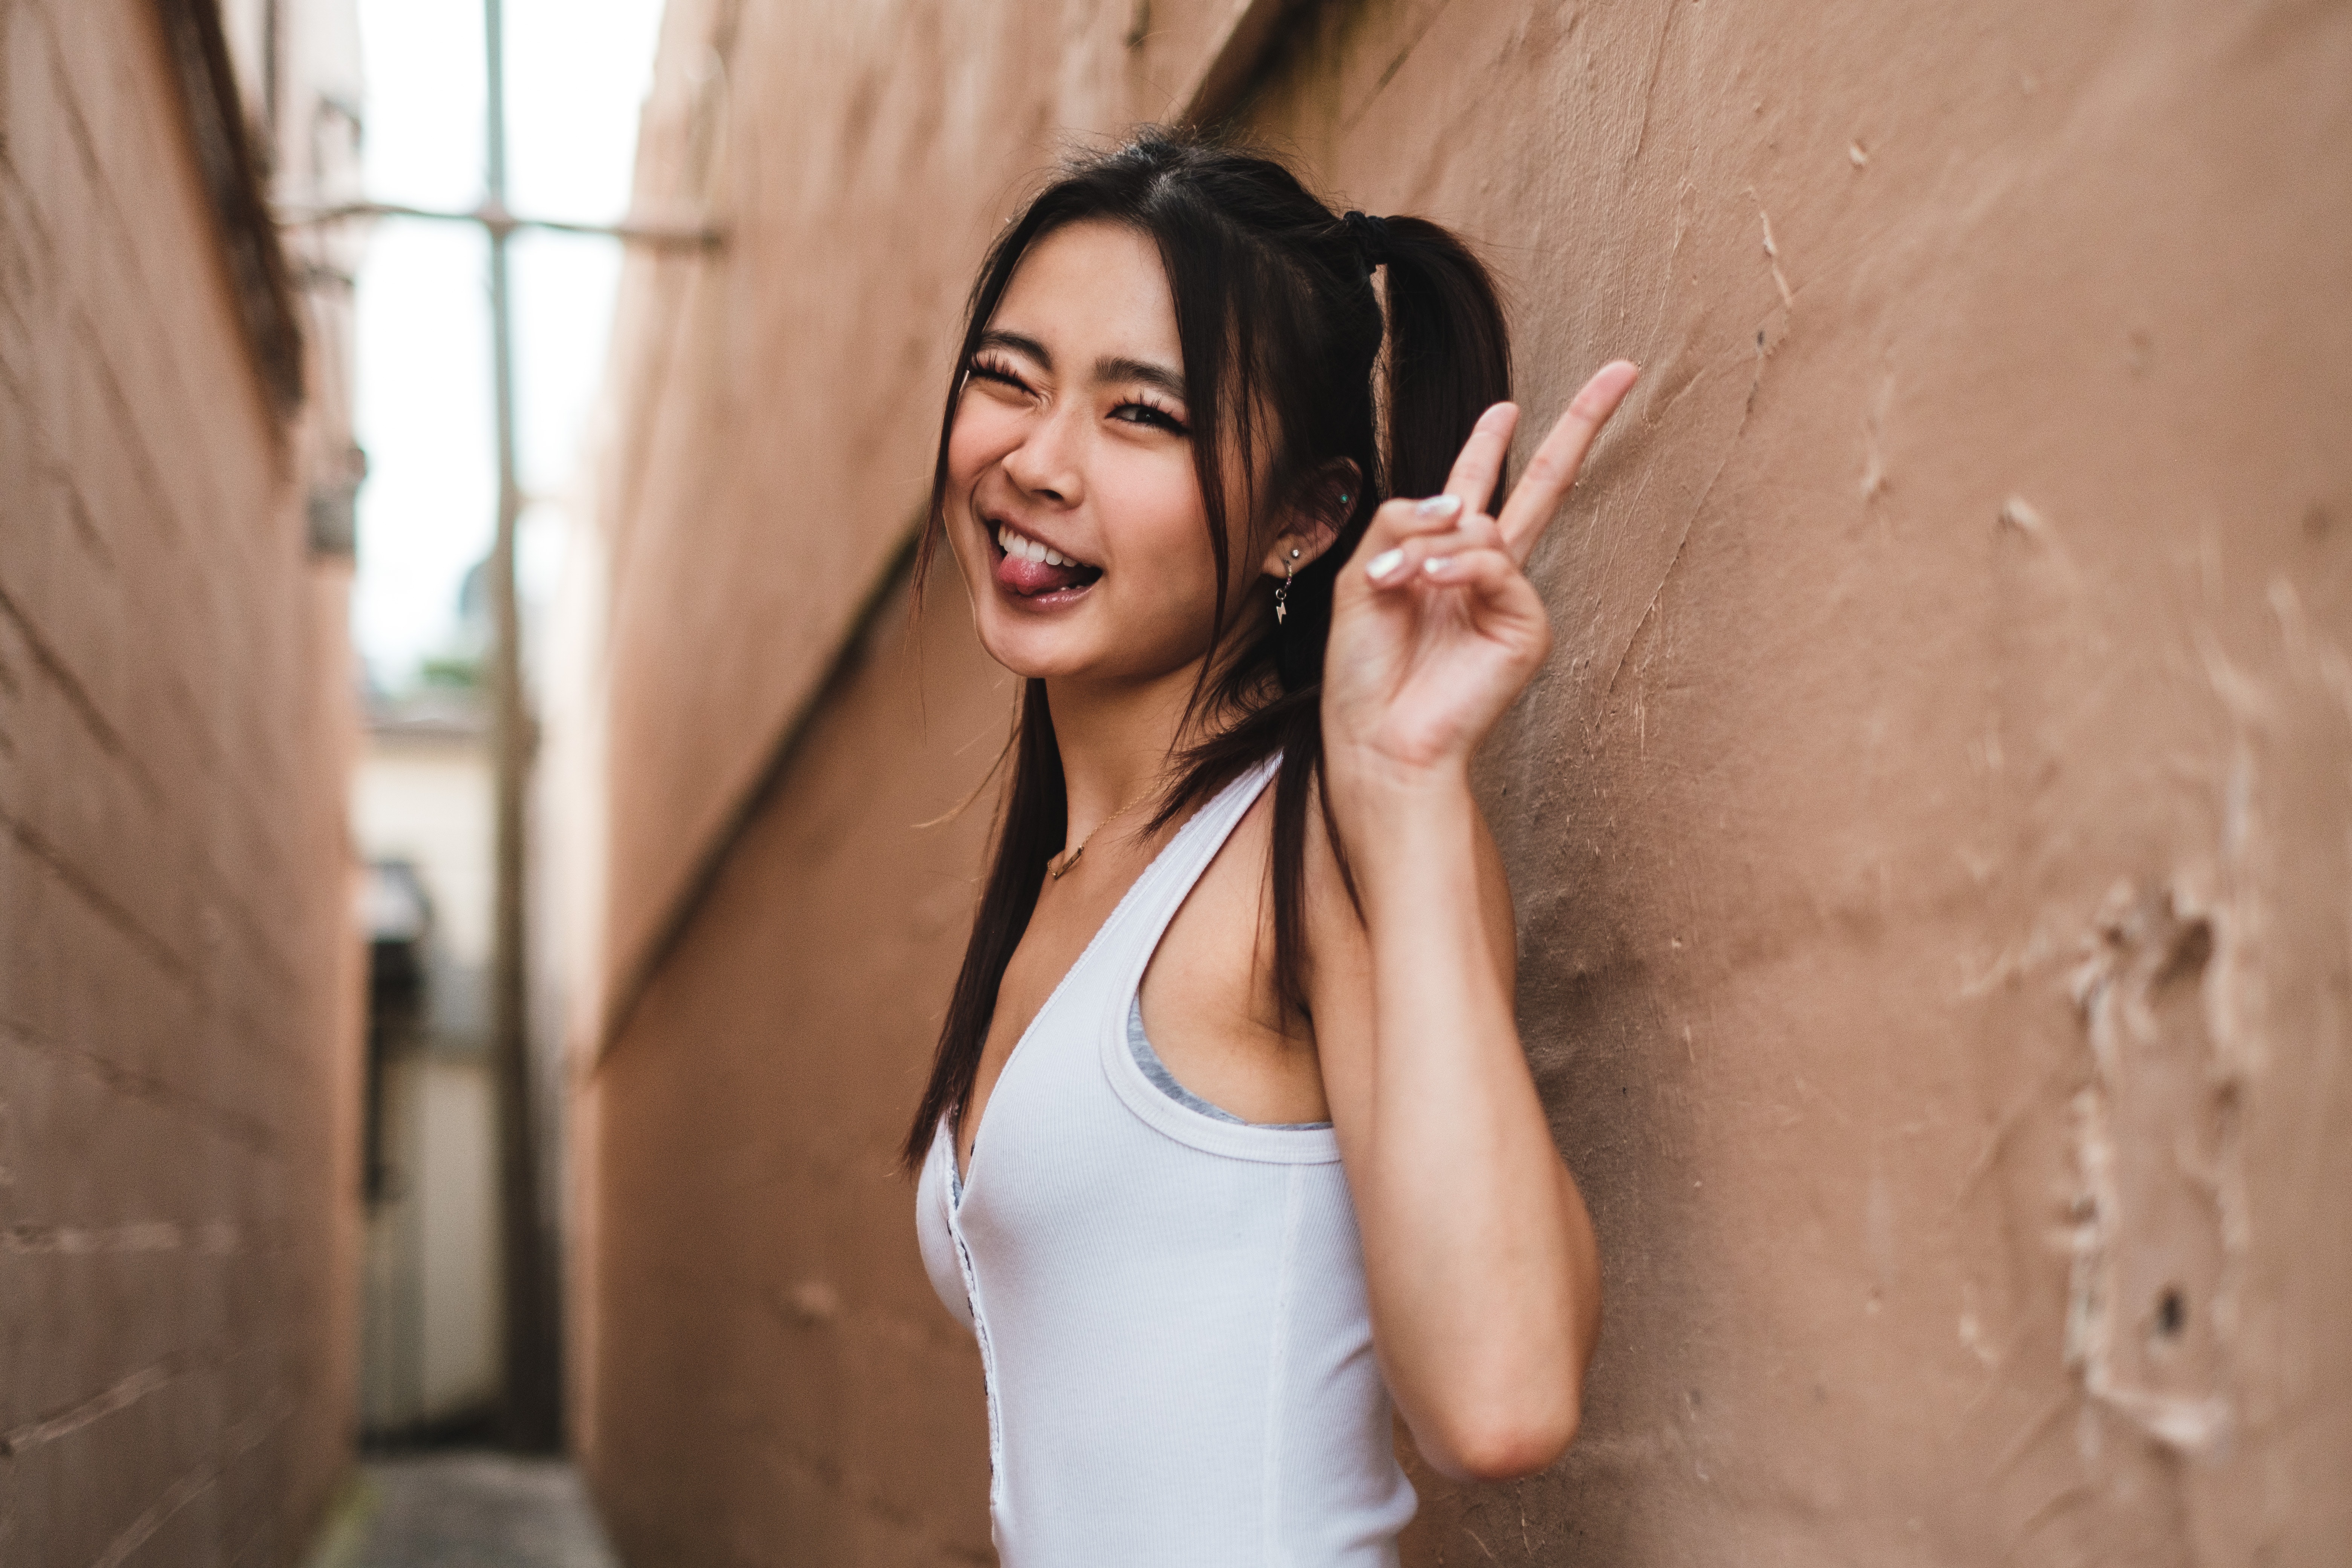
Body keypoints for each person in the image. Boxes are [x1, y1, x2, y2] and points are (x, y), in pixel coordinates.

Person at [906, 128, 1637, 1566]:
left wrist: (1407, 780)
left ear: (1305, 521)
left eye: (1144, 417)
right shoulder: (1071, 876)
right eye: (1009, 376)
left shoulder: (1316, 839)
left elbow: (1503, 1402)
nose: (1036, 461)